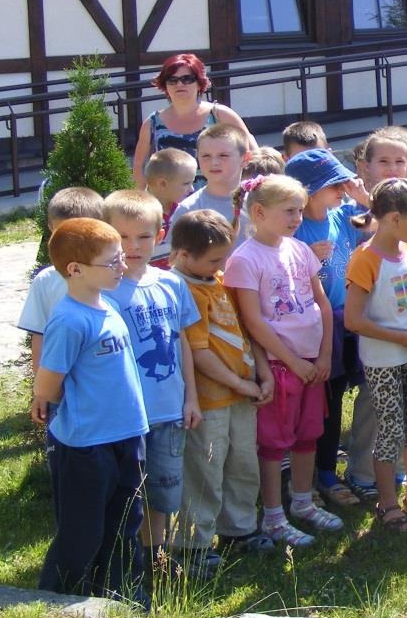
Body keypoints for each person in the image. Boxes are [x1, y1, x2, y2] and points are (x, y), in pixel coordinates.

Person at [31, 218, 147, 605]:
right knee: (83, 531)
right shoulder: (69, 319)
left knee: (124, 523)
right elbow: (48, 386)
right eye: (112, 262)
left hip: (126, 434)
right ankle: (55, 600)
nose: (122, 267)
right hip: (86, 444)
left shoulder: (107, 305)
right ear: (75, 270)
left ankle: (115, 597)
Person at [222, 174, 341, 547]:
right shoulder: (244, 259)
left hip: (311, 362)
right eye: (289, 211)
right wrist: (292, 362)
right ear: (259, 212)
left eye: (300, 211)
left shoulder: (299, 249)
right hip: (280, 364)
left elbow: (321, 302)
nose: (297, 219)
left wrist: (323, 355)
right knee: (275, 443)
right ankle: (273, 516)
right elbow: (252, 321)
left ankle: (302, 502)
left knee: (308, 435)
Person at [101, 190, 202, 574]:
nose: (133, 246)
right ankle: (126, 557)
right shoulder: (104, 291)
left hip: (169, 407)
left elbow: (184, 344)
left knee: (163, 488)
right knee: (131, 489)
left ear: (160, 234)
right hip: (127, 413)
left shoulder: (172, 284)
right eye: (122, 237)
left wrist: (191, 398)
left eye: (143, 236)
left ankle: (157, 555)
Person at [170, 210, 276, 575]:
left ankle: (239, 528)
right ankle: (193, 543)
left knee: (243, 462)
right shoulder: (185, 290)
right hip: (211, 397)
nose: (223, 265)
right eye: (215, 259)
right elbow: (198, 353)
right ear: (183, 255)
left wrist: (261, 374)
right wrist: (240, 383)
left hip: (241, 395)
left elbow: (245, 330)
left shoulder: (216, 280)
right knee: (206, 468)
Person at [344, 178, 407, 531]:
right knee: (389, 431)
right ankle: (387, 505)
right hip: (384, 360)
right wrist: (398, 337)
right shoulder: (365, 259)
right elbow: (354, 319)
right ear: (392, 219)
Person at [283, 148, 372, 510]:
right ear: (307, 191)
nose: (342, 189)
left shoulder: (346, 214)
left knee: (362, 383)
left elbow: (378, 223)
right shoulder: (296, 227)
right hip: (318, 323)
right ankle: (322, 473)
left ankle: (337, 468)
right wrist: (309, 256)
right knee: (329, 400)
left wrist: (364, 198)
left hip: (350, 314)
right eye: (334, 184)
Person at [131, 54, 254, 190]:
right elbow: (139, 165)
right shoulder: (152, 122)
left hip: (217, 199)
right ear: (165, 85)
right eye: (172, 80)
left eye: (187, 79)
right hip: (170, 203)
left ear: (199, 83)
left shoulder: (220, 114)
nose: (179, 84)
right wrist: (142, 199)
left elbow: (252, 152)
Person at [17, 187, 105, 369]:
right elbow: (39, 335)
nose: (72, 243)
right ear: (51, 228)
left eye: (82, 234)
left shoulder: (111, 275)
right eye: (63, 233)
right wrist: (41, 389)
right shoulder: (46, 280)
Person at [168, 123, 254, 249]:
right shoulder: (188, 210)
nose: (214, 163)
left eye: (223, 155)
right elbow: (176, 258)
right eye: (206, 156)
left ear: (245, 158)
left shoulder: (262, 200)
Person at [144, 149, 197, 270]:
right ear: (162, 184)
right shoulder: (140, 215)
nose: (192, 189)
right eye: (186, 183)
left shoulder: (185, 211)